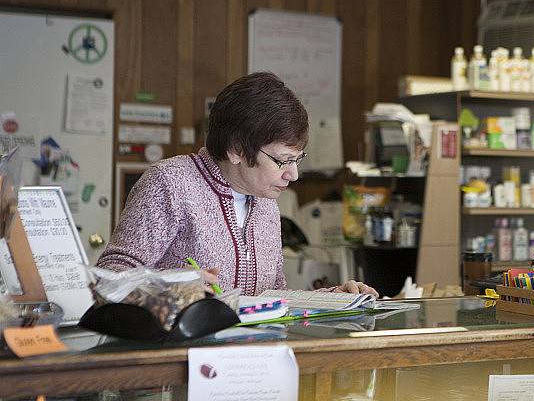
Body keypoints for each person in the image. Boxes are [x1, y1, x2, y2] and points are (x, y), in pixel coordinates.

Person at [97, 71, 377, 297]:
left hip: (250, 356)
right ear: (236, 150)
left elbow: (272, 295)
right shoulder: (170, 183)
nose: (293, 174)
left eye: (297, 160)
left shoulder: (266, 200)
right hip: (181, 357)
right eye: (282, 160)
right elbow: (111, 276)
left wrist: (333, 298)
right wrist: (173, 284)